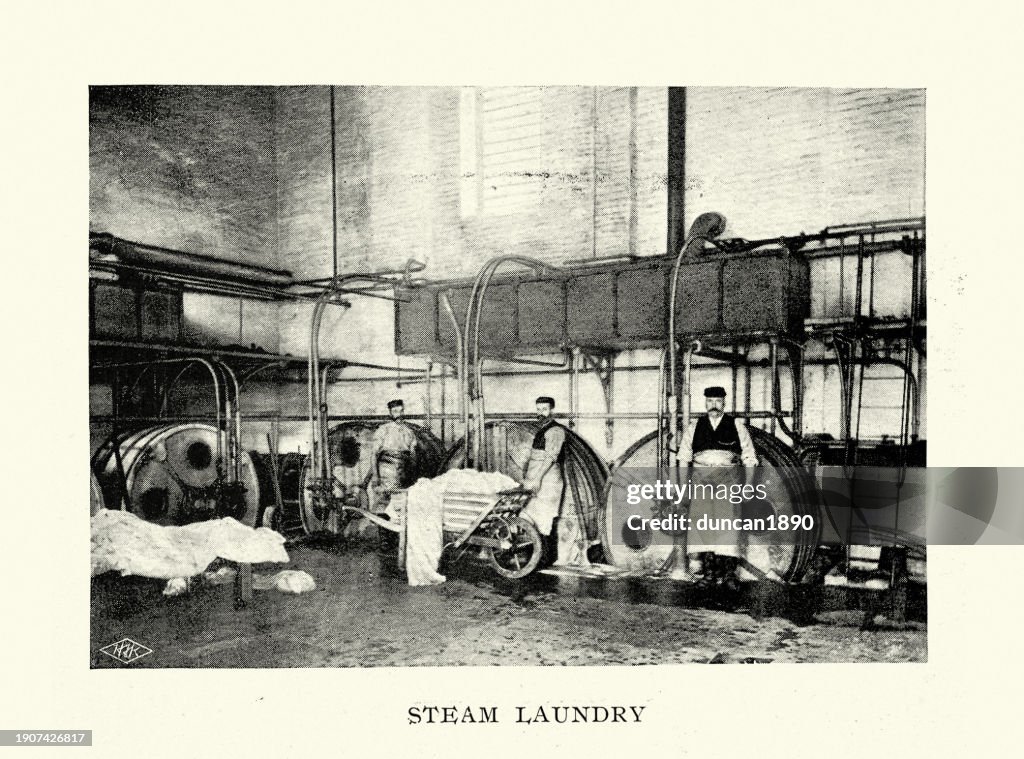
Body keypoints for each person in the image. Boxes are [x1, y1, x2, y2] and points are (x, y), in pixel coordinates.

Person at [678, 386, 759, 588]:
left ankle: (730, 575)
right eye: (710, 401)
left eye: (717, 401)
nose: (713, 405)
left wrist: (748, 486)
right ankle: (709, 574)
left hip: (728, 480)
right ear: (705, 403)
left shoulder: (737, 426)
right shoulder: (694, 427)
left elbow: (749, 458)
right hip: (701, 480)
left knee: (728, 526)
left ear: (724, 402)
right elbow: (683, 458)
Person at [521, 396, 567, 550]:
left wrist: (538, 479)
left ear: (552, 410)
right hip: (538, 480)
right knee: (534, 517)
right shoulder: (542, 429)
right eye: (538, 409)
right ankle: (537, 554)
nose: (541, 413)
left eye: (545, 409)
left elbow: (550, 457)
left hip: (548, 481)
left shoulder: (555, 430)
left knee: (545, 519)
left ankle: (545, 556)